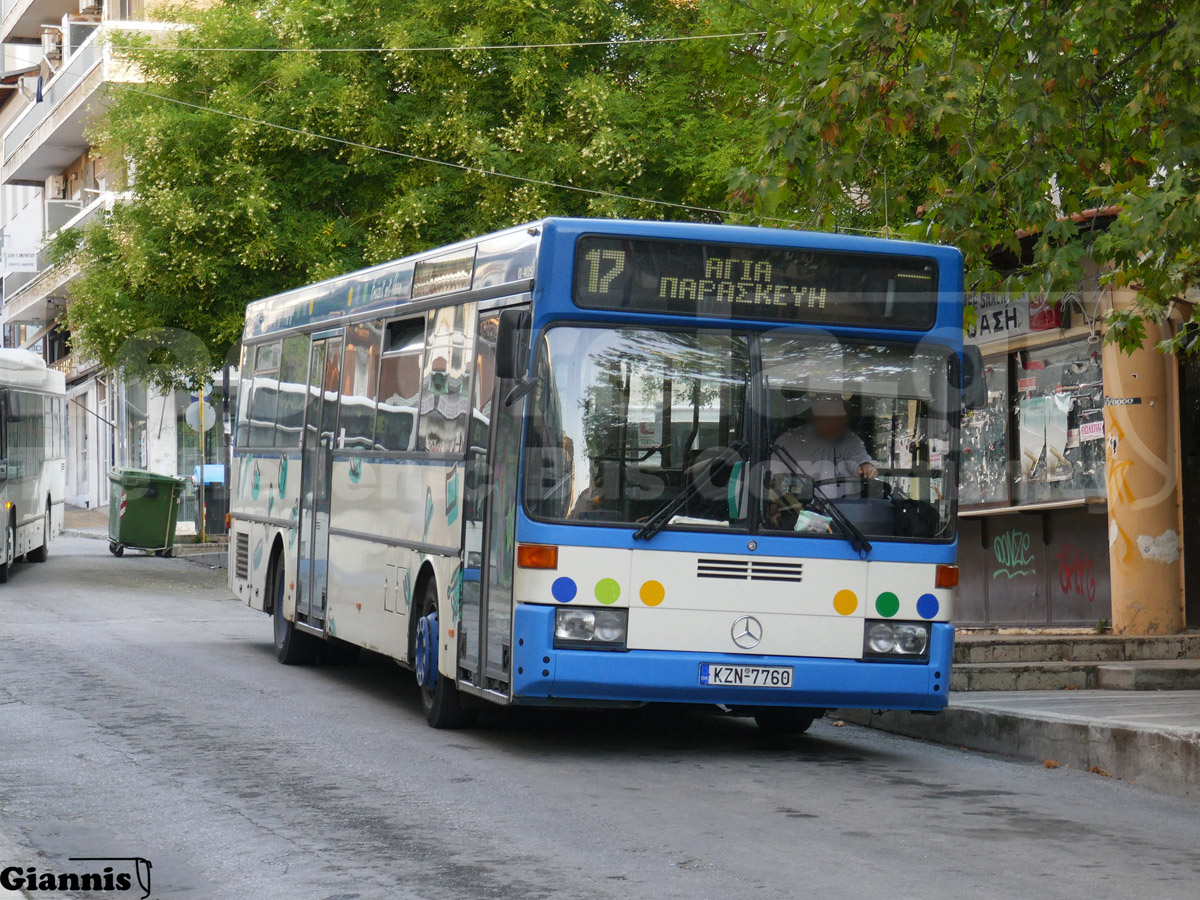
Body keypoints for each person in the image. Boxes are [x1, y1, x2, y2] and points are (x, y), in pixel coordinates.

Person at [771, 396, 878, 487]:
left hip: (841, 509)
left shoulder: (849, 439)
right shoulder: (788, 439)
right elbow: (774, 478)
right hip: (798, 508)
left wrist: (865, 466)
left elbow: (858, 456)